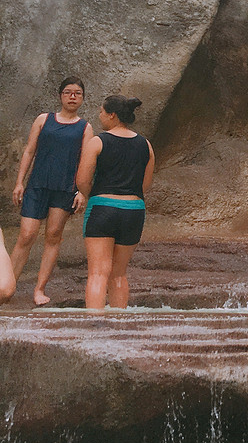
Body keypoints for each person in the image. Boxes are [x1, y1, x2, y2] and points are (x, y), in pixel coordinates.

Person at [4, 76, 92, 306]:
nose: (73, 96)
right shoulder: (44, 120)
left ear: (82, 98)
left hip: (65, 189)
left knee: (53, 236)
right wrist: (19, 182)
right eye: (68, 92)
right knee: (26, 235)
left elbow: (86, 162)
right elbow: (29, 151)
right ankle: (6, 287)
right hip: (37, 185)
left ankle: (39, 289)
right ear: (60, 95)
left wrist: (82, 191)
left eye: (78, 93)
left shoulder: (85, 127)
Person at [75, 94, 154, 312]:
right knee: (119, 273)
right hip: (134, 210)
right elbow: (144, 185)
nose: (100, 116)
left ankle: (95, 327)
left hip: (103, 208)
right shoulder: (145, 145)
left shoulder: (98, 141)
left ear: (112, 115)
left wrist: (96, 194)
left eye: (101, 112)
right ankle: (120, 328)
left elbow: (82, 180)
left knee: (98, 273)